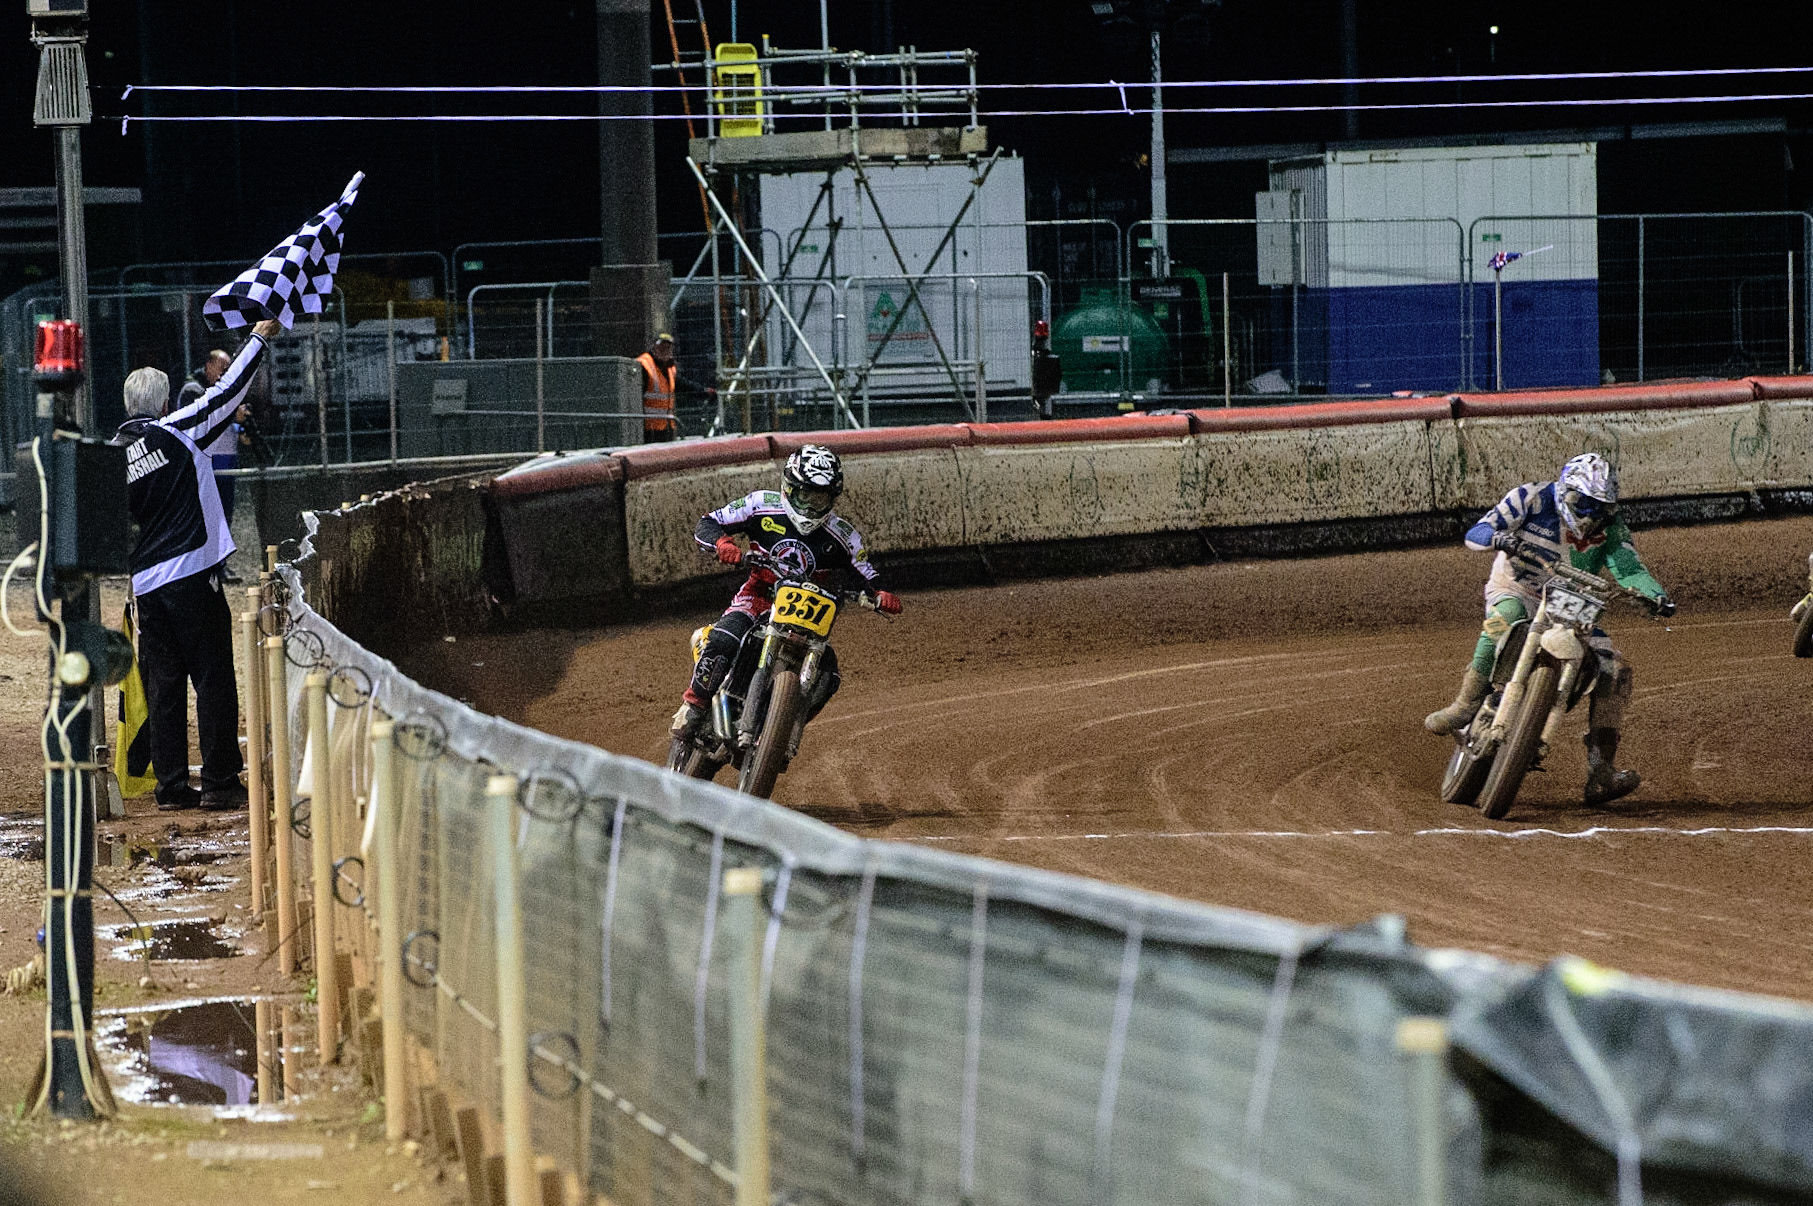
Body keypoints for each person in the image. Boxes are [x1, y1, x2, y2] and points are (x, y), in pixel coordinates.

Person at [1423, 452, 1675, 805]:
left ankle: (1600, 770)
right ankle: (1465, 705)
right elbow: (1476, 531)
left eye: (1599, 508)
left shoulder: (1612, 528)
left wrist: (1657, 596)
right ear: (1566, 491)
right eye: (1583, 504)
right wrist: (1499, 539)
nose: (1589, 515)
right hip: (1520, 588)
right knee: (1504, 618)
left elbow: (1630, 569)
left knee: (1615, 670)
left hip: (1572, 605)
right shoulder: (1530, 498)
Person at [118, 318, 281, 811]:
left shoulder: (114, 454)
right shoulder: (178, 429)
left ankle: (170, 786)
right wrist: (257, 338)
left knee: (164, 683)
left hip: (147, 583)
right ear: (166, 404)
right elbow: (228, 394)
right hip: (192, 571)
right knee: (212, 676)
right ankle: (220, 781)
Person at [670, 445, 903, 742]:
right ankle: (694, 705)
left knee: (829, 676)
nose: (810, 506)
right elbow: (708, 522)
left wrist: (881, 593)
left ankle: (783, 729)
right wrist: (722, 545)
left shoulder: (844, 536)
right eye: (805, 495)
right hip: (759, 595)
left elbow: (869, 574)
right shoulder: (760, 504)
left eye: (820, 498)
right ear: (789, 487)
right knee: (724, 638)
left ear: (832, 498)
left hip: (809, 613)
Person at [636, 333, 679, 444]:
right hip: (650, 429)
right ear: (654, 347)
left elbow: (681, 385)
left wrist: (704, 391)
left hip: (667, 426)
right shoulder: (644, 365)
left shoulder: (670, 367)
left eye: (667, 347)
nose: (664, 350)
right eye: (661, 346)